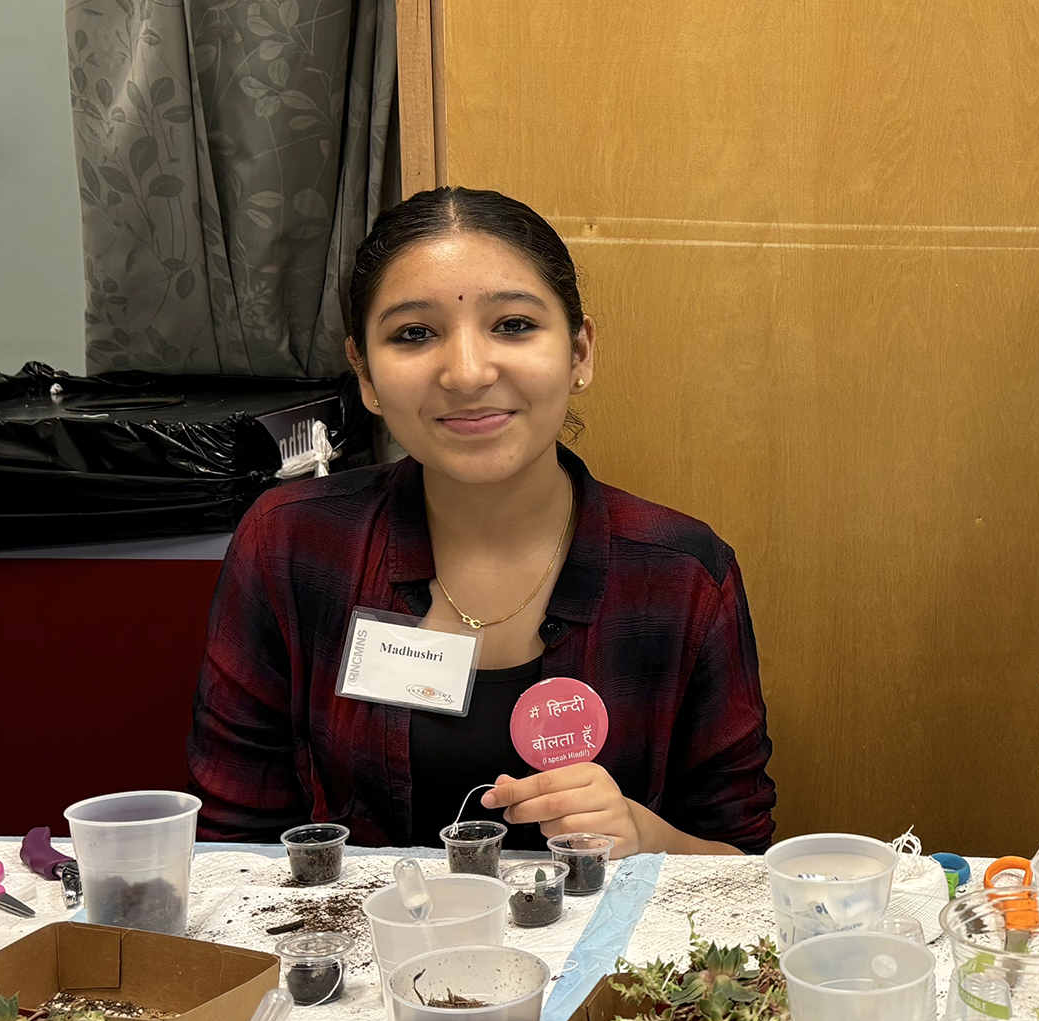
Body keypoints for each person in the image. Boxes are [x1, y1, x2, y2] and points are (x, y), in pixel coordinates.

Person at [187, 187, 774, 856]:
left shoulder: (683, 574)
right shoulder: (292, 544)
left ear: (580, 352)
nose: (467, 374)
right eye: (414, 333)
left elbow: (743, 863)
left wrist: (645, 836)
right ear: (366, 374)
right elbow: (231, 848)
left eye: (514, 324)